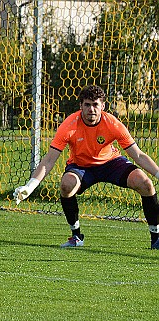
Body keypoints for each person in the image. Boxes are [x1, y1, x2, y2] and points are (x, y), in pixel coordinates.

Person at [13, 85, 159, 249]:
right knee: (66, 185)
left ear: (102, 106)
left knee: (145, 183)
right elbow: (49, 160)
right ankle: (76, 236)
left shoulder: (113, 124)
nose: (91, 109)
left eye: (95, 105)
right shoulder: (69, 126)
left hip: (110, 163)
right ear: (81, 106)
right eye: (87, 104)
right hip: (81, 166)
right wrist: (30, 186)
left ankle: (156, 238)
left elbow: (138, 155)